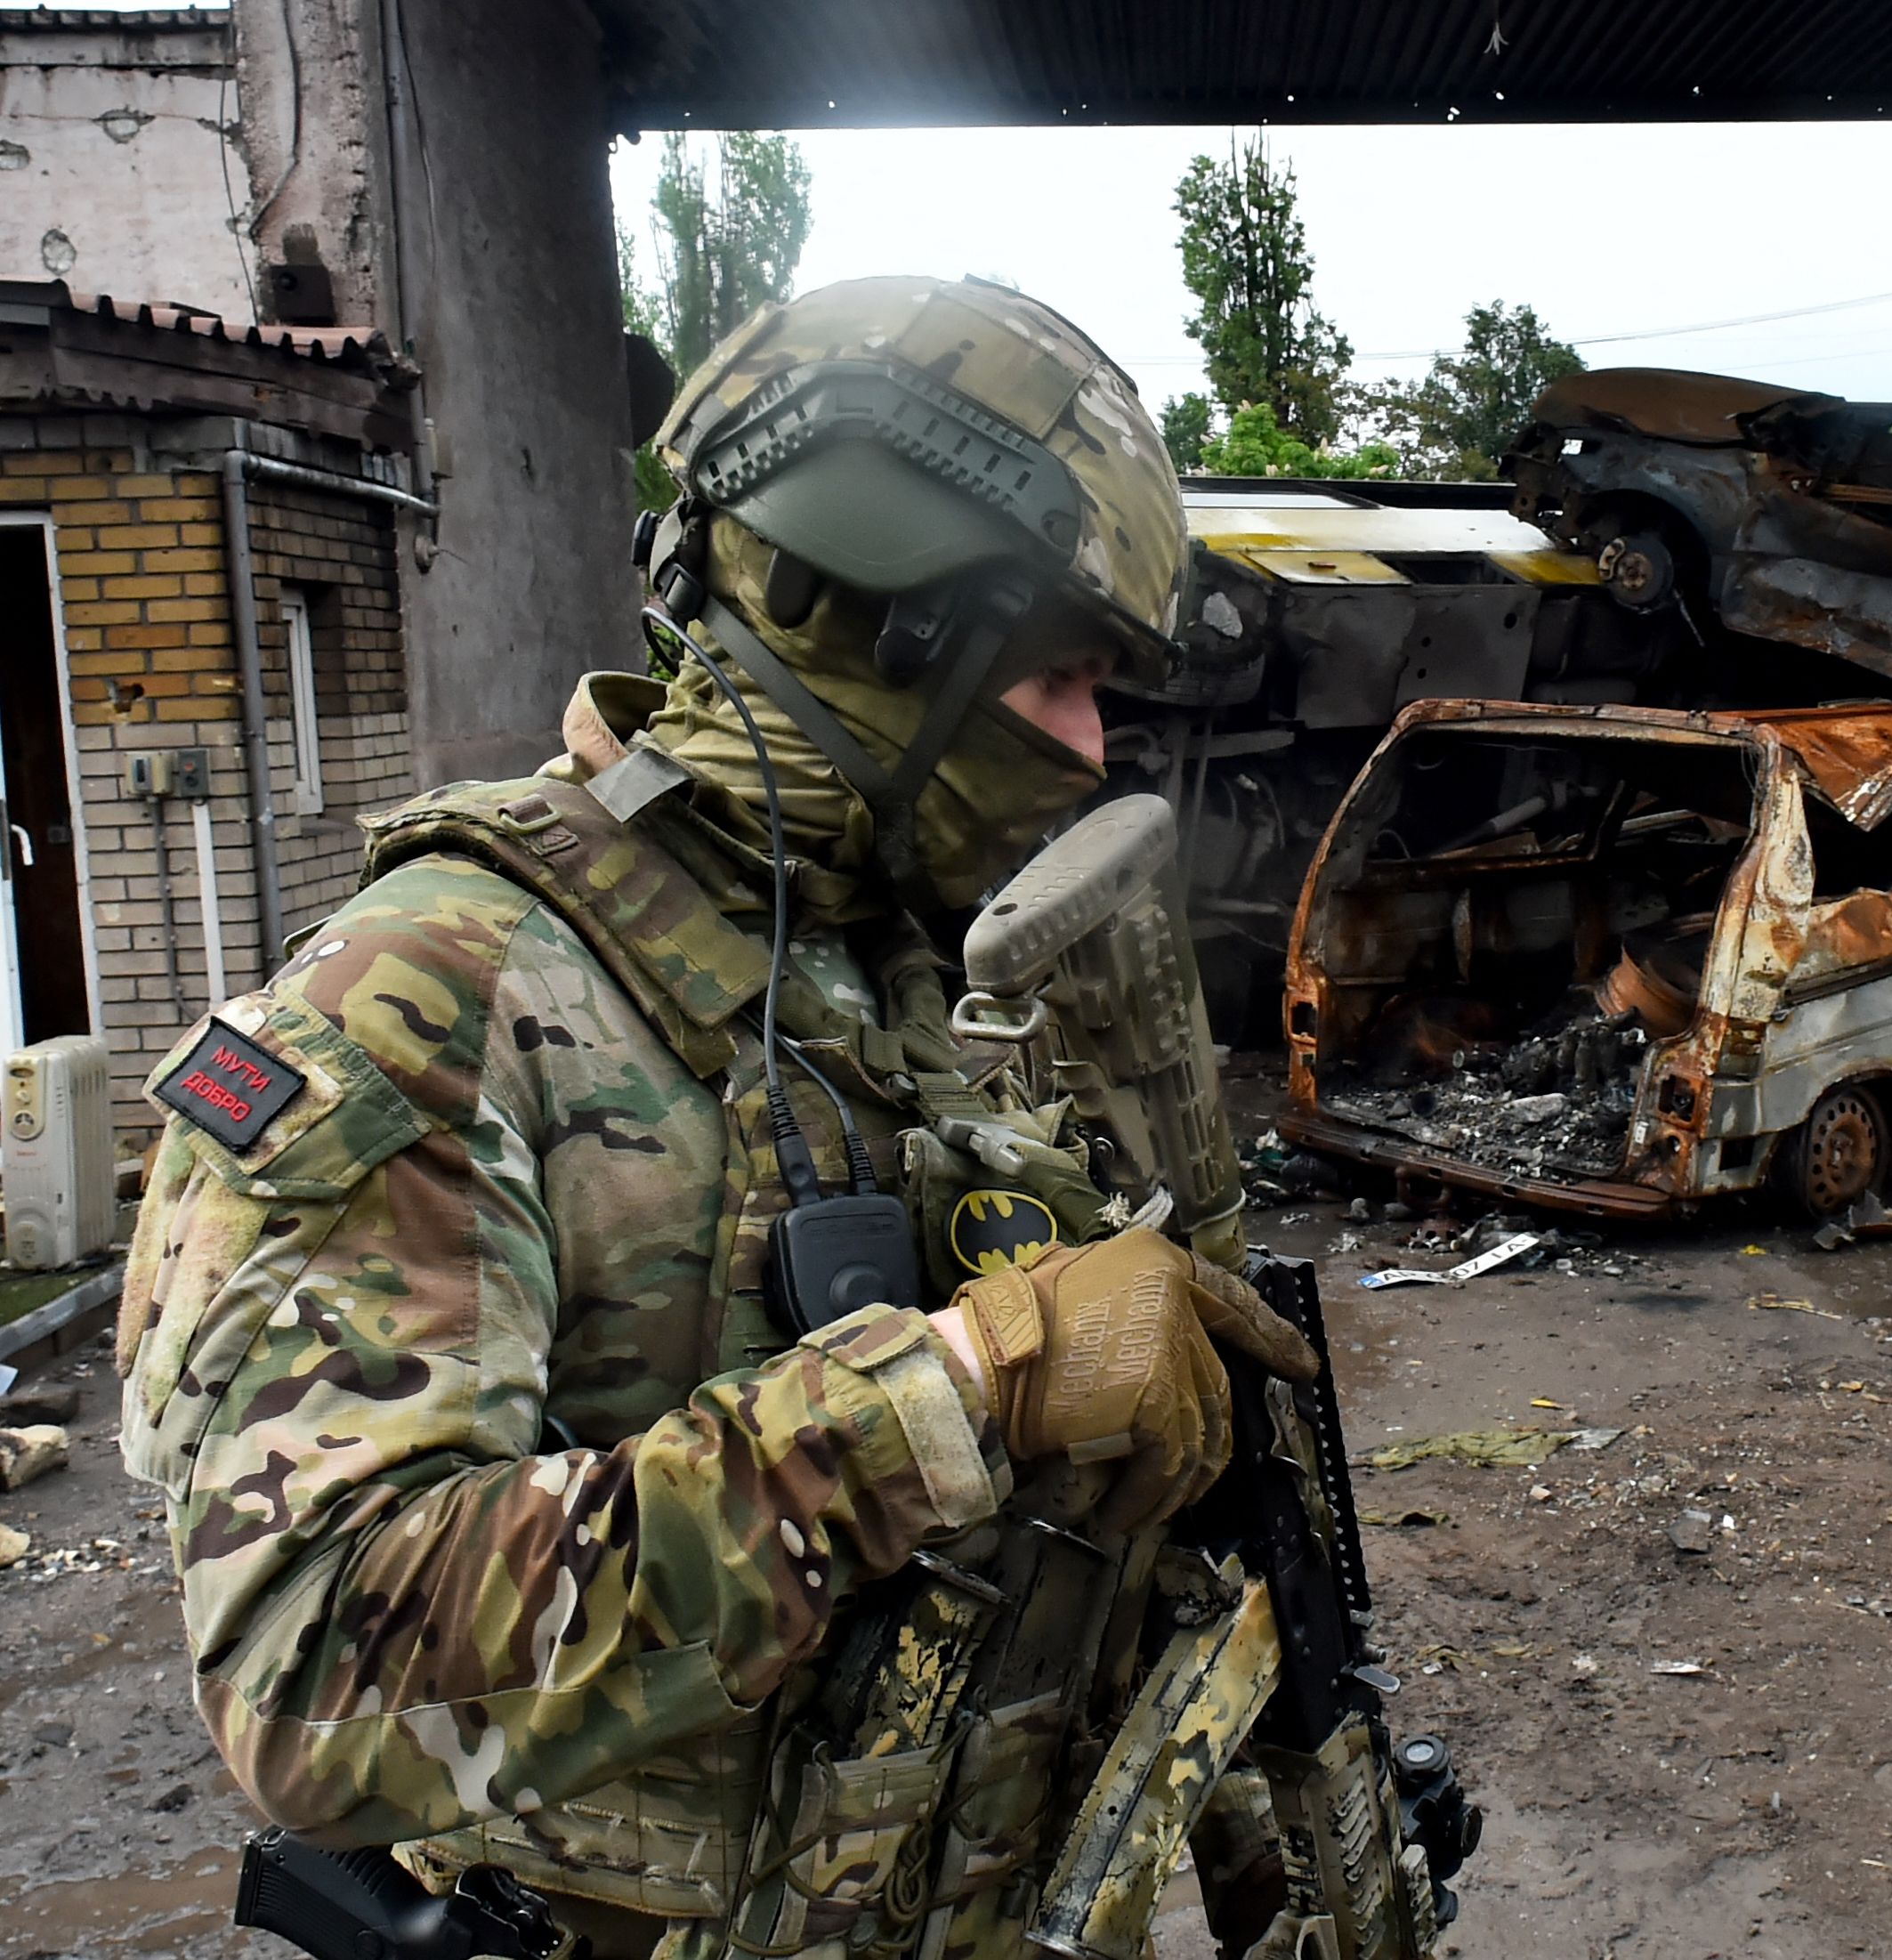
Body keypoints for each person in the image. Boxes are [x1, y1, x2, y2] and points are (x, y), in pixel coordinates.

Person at [117, 275, 1314, 1960]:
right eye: (1062, 679)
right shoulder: (433, 994)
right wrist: (962, 1386)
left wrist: (1248, 1797)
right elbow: (314, 1671)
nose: (1095, 746)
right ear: (891, 628)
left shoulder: (908, 982)